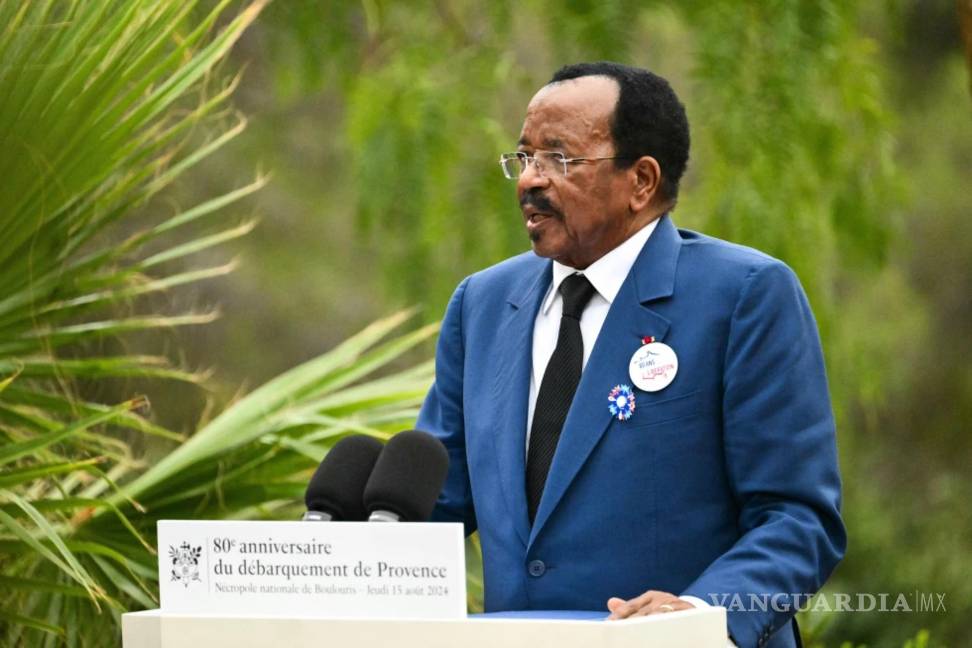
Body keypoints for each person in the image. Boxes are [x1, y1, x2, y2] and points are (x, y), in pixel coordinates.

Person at [416, 61, 846, 648]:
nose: (528, 181)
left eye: (558, 159)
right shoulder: (483, 304)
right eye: (524, 158)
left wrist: (697, 613)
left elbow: (798, 521)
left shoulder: (743, 296)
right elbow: (437, 506)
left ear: (641, 181)